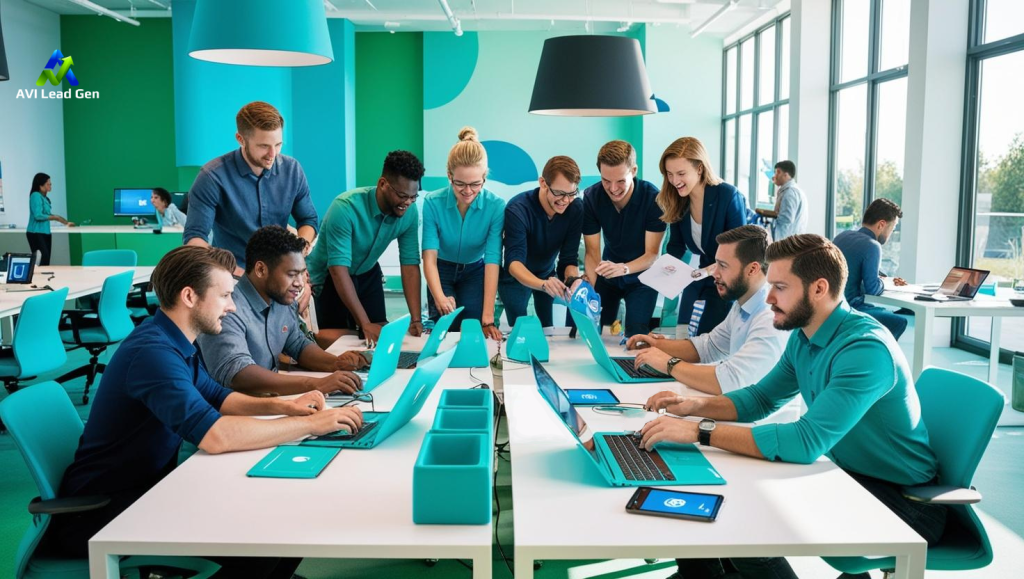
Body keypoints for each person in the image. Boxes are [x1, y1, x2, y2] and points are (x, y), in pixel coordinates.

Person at [43, 246, 364, 577]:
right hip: (104, 512)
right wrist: (312, 424)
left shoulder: (176, 340)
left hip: (152, 488)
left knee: (280, 523)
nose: (232, 305)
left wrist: (285, 405)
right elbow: (216, 436)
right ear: (189, 297)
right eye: (224, 295)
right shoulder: (153, 354)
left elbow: (219, 397)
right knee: (267, 535)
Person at [641, 234, 945, 579]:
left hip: (905, 502)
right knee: (720, 494)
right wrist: (691, 405)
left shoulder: (865, 350)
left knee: (748, 525)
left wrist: (699, 430)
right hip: (850, 476)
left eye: (780, 287)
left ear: (818, 288)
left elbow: (805, 443)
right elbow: (761, 398)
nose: (768, 298)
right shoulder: (806, 334)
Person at [198, 226, 369, 396]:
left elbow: (297, 344)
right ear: (261, 270)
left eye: (302, 274)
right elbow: (239, 374)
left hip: (269, 402)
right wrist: (316, 384)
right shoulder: (228, 309)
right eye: (292, 274)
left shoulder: (282, 300)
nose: (300, 283)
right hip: (231, 412)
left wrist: (336, 364)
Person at [626, 225, 786, 395]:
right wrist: (657, 345)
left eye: (723, 266)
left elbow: (731, 380)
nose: (714, 273)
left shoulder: (770, 319)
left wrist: (668, 363)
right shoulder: (743, 304)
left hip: (758, 419)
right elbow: (709, 347)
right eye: (716, 264)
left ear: (752, 269)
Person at [307, 150, 425, 347]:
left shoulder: (410, 212)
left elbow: (410, 264)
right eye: (403, 195)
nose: (407, 202)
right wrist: (364, 323)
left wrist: (416, 319)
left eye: (413, 196)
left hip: (367, 271)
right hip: (328, 278)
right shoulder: (345, 208)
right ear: (382, 184)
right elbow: (338, 270)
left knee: (380, 332)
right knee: (343, 340)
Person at [183, 101, 319, 272]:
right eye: (264, 146)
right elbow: (195, 239)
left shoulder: (292, 170)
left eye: (278, 145)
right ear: (241, 139)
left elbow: (308, 220)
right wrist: (231, 273)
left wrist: (301, 251)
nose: (273, 155)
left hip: (282, 271)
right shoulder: (211, 177)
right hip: (233, 274)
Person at [421, 128, 504, 341]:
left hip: (474, 272)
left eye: (476, 184)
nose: (468, 191)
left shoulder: (496, 207)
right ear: (449, 176)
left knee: (473, 328)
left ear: (484, 178)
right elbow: (429, 257)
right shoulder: (432, 203)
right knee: (445, 327)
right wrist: (438, 296)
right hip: (442, 269)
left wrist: (488, 317)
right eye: (460, 184)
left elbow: (493, 260)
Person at [660, 137, 748, 337]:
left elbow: (741, 249)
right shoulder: (678, 199)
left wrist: (714, 268)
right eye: (670, 174)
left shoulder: (727, 196)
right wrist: (663, 270)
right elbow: (675, 246)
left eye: (681, 173)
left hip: (727, 277)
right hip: (700, 274)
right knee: (682, 332)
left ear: (699, 168)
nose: (674, 181)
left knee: (707, 338)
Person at [582, 140, 666, 337]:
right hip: (608, 274)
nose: (613, 188)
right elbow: (592, 253)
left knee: (636, 332)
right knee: (599, 329)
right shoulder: (592, 197)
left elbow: (652, 254)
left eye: (620, 181)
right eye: (606, 181)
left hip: (643, 276)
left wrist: (624, 268)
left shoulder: (654, 199)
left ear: (634, 171)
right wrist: (593, 296)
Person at [500, 155, 584, 328]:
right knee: (520, 330)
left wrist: (573, 280)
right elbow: (514, 261)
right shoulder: (517, 209)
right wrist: (543, 284)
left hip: (547, 272)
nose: (565, 201)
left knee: (548, 327)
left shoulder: (575, 208)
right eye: (559, 193)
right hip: (515, 278)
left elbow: (568, 258)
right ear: (543, 183)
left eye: (571, 194)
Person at [833, 198, 908, 340]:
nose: (890, 234)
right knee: (899, 321)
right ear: (881, 224)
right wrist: (885, 283)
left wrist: (881, 278)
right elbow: (872, 289)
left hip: (833, 307)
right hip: (851, 309)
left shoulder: (842, 236)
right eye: (892, 229)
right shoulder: (872, 245)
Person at [26, 172, 75, 265]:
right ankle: (39, 278)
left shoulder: (44, 198)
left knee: (46, 259)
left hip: (45, 232)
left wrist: (66, 222)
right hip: (35, 232)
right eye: (48, 183)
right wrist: (56, 218)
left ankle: (43, 278)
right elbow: (38, 215)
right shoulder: (35, 195)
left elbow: (48, 215)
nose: (50, 185)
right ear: (41, 185)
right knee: (42, 258)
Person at [756, 160, 807, 240]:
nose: (774, 176)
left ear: (786, 175)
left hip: (785, 243)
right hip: (790, 241)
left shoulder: (790, 192)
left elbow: (786, 220)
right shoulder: (792, 190)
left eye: (778, 172)